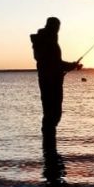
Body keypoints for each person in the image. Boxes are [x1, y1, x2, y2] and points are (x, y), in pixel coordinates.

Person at [30, 16, 82, 153]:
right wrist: (72, 65)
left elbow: (55, 63)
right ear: (52, 26)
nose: (58, 29)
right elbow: (55, 63)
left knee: (50, 114)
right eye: (56, 26)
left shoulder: (44, 41)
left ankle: (48, 146)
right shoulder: (48, 42)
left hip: (49, 80)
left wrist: (71, 66)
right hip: (51, 82)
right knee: (53, 114)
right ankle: (49, 146)